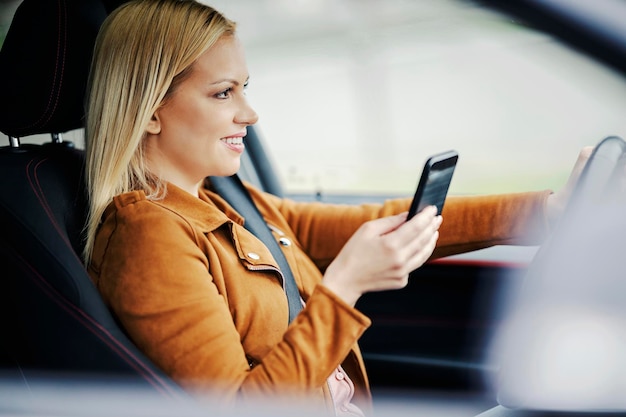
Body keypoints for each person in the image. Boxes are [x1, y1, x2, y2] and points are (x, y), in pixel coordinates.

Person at [83, 0, 590, 415]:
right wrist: (344, 286)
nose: (250, 113)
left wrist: (545, 212)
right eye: (223, 93)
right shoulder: (147, 234)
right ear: (151, 112)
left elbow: (371, 221)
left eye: (245, 88)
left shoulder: (223, 201)